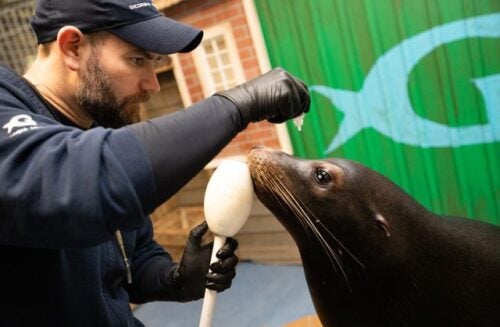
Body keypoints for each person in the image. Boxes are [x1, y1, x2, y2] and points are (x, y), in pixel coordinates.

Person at [0, 0, 310, 326]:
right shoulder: (8, 104)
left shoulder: (102, 130)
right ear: (73, 48)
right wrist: (237, 106)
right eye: (137, 60)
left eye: (154, 63)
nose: (153, 84)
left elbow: (130, 259)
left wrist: (173, 278)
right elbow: (76, 184)